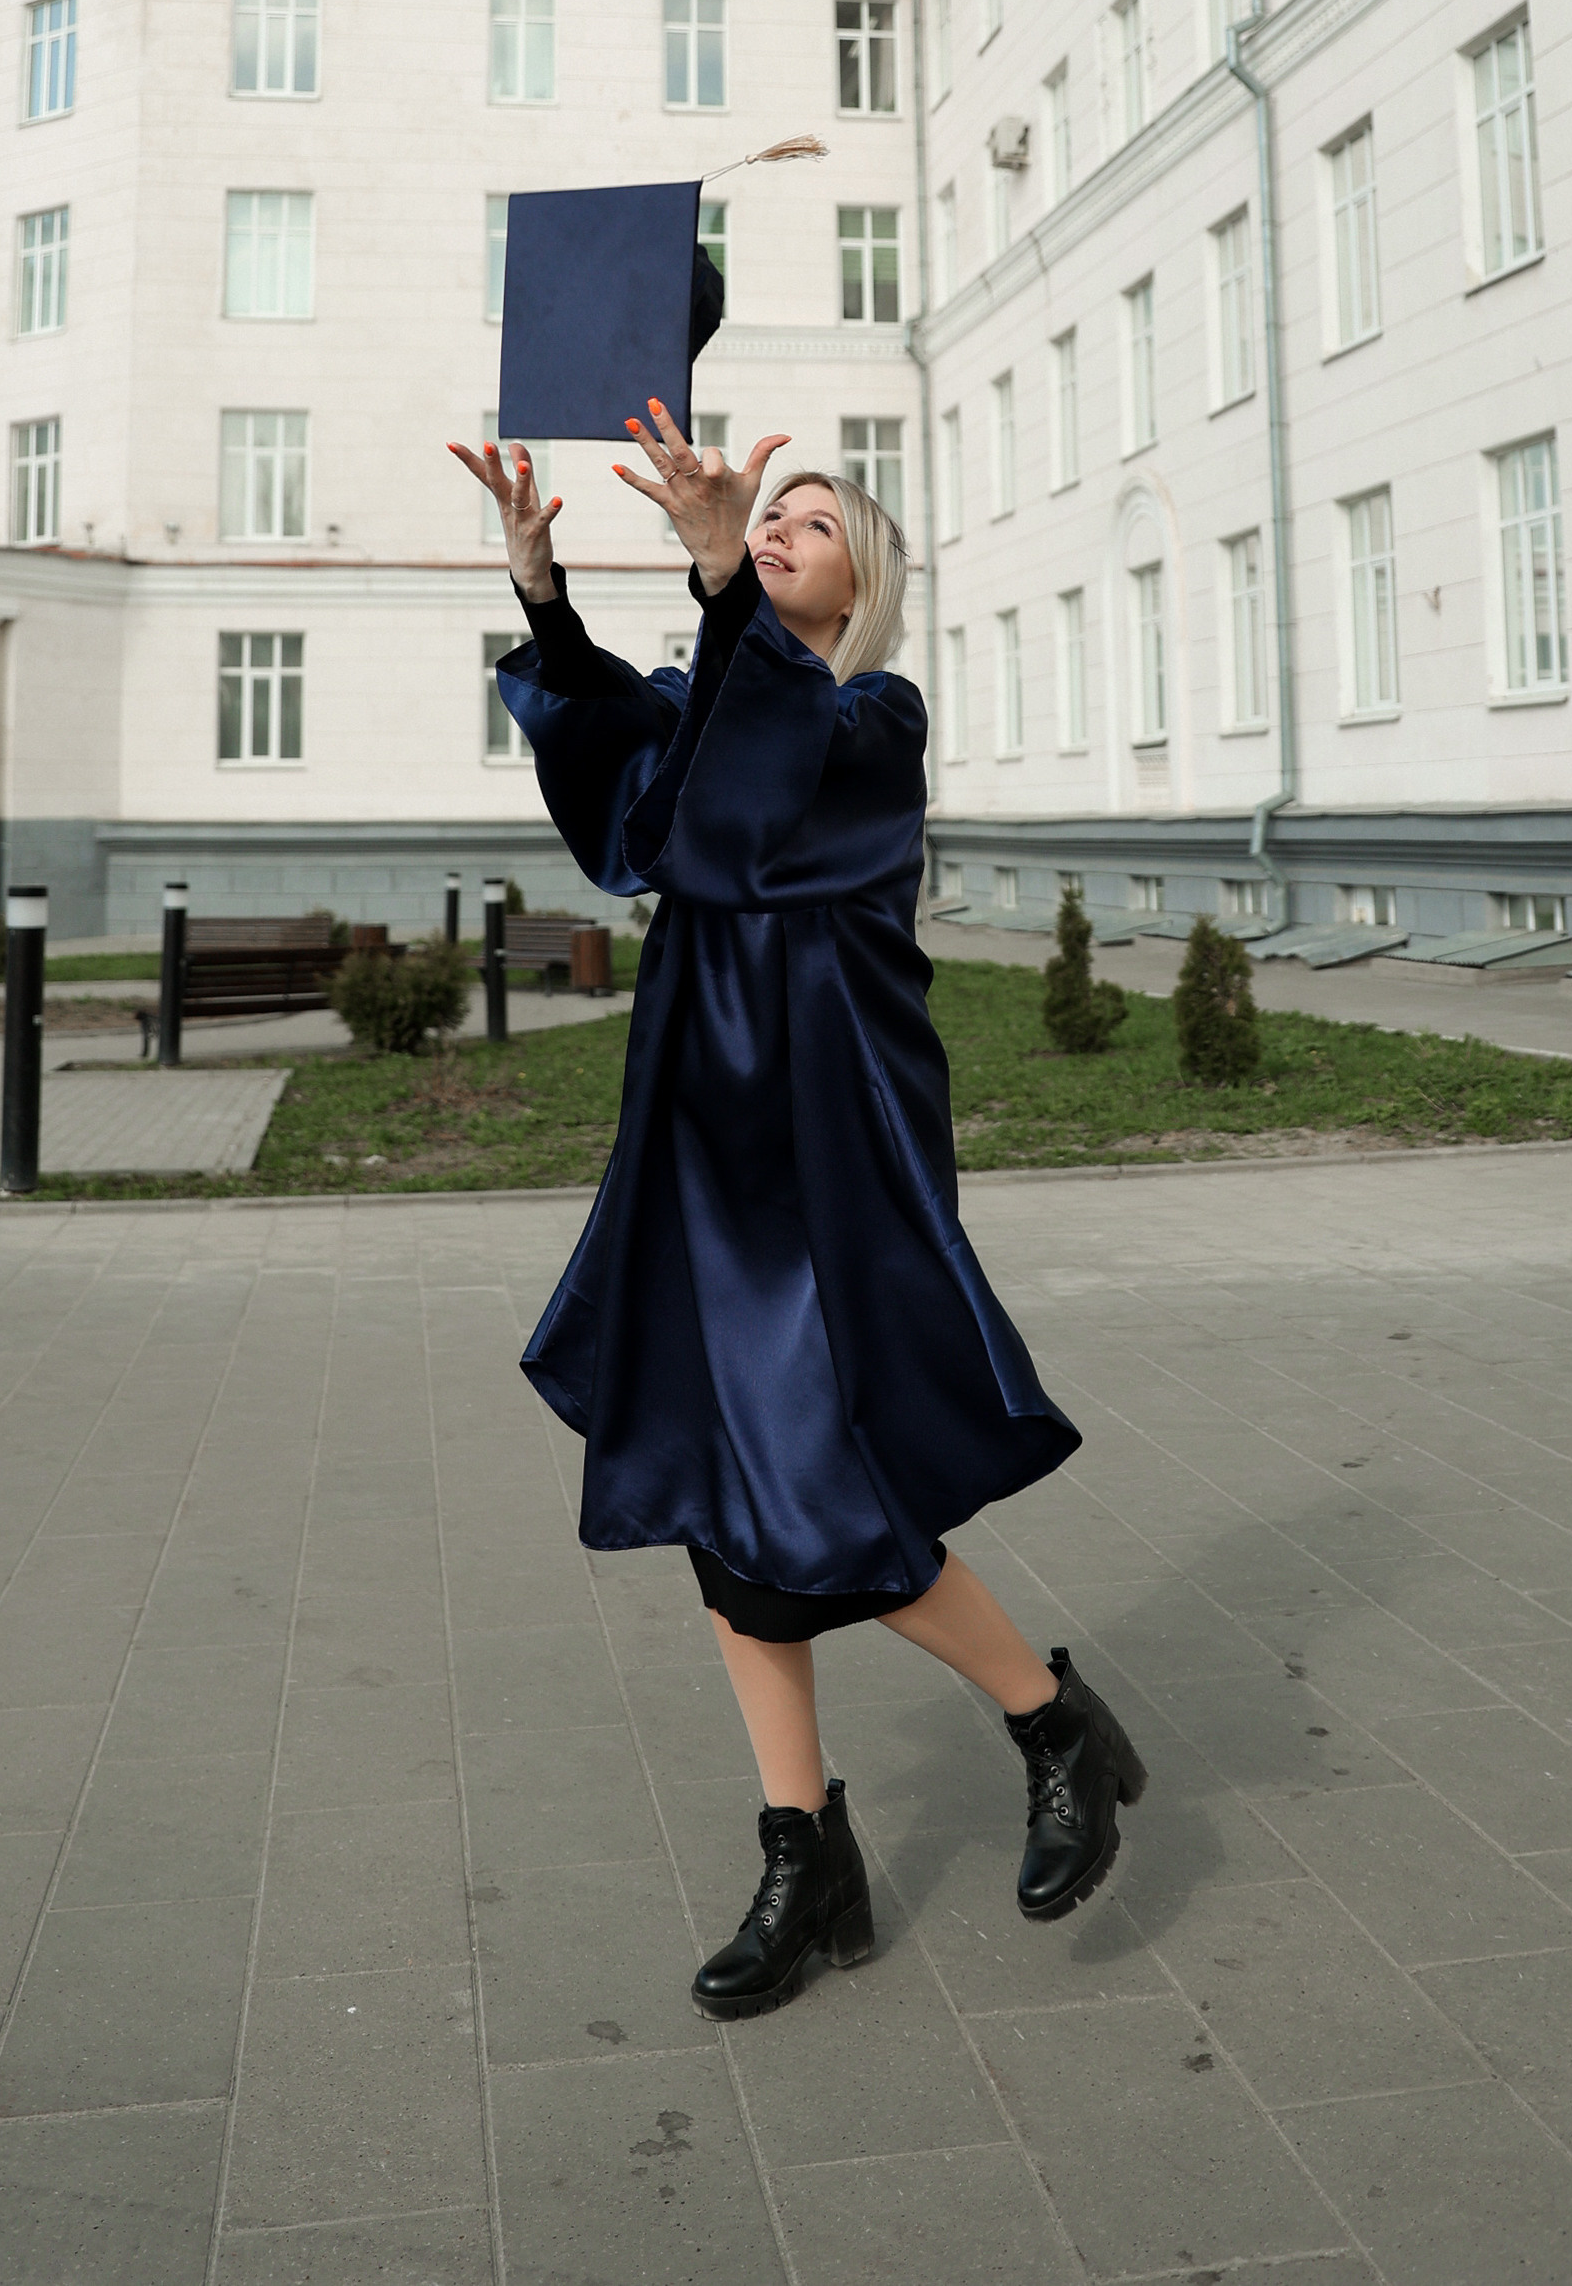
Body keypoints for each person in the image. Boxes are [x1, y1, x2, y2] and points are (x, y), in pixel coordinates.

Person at [453, 405, 1147, 2023]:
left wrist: (709, 583)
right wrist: (545, 592)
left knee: (811, 1480)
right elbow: (639, 812)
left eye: (807, 524)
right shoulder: (719, 692)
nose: (773, 530)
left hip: (822, 1158)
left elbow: (752, 831)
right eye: (765, 520)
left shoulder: (873, 719)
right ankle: (805, 1844)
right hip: (698, 1146)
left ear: (867, 581)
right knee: (719, 1484)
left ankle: (1046, 1724)